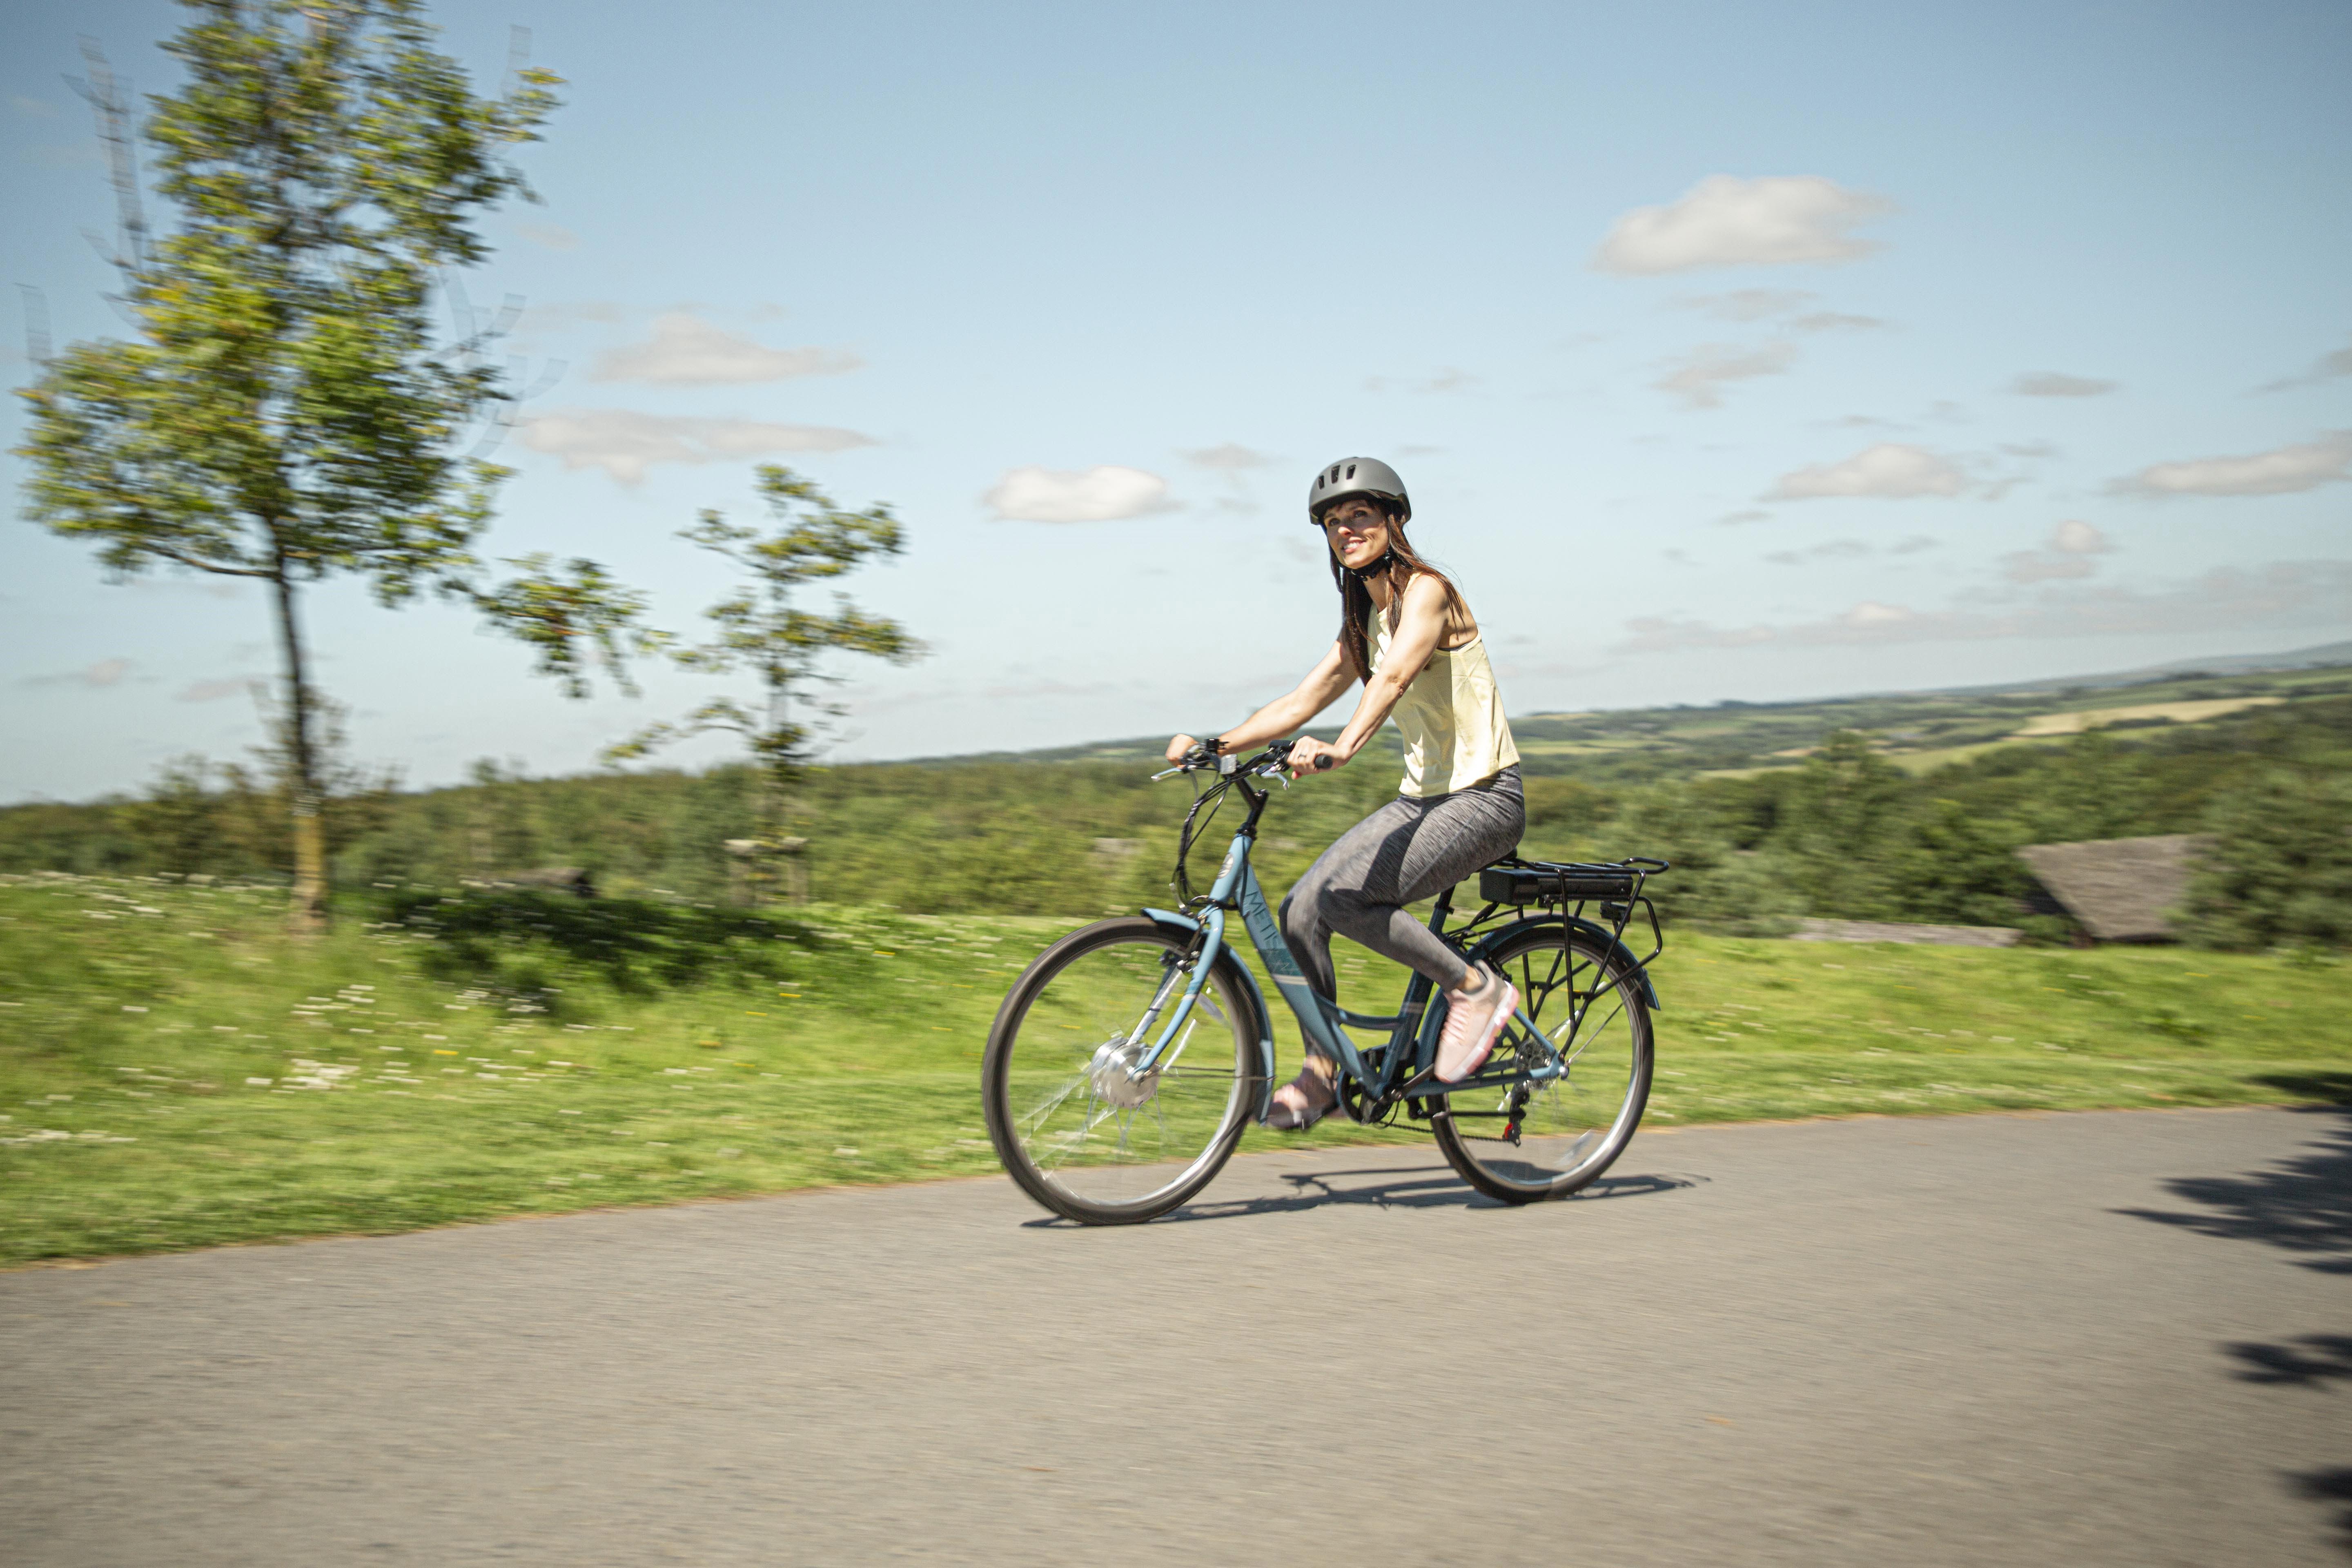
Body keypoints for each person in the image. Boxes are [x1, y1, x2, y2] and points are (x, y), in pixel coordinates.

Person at [1165, 457, 1524, 1129]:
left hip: (1485, 797)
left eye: (1360, 514)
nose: (1346, 529)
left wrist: (1344, 746)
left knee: (1346, 898)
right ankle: (1323, 1072)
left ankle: (1475, 989)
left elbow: (1389, 681)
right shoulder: (1365, 617)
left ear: (1394, 518)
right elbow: (1304, 699)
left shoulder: (1428, 592)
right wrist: (1220, 745)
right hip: (1426, 800)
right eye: (1334, 522)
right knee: (1301, 907)